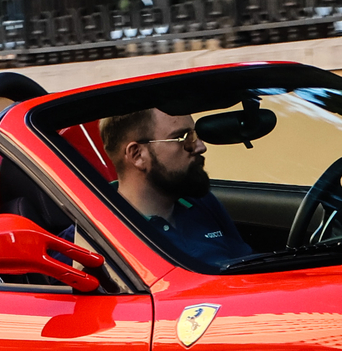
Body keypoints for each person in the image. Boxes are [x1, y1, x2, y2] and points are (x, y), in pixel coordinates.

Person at [101, 106, 252, 265]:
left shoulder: (200, 202)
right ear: (138, 155)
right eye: (182, 138)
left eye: (194, 136)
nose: (200, 147)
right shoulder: (98, 231)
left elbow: (245, 266)